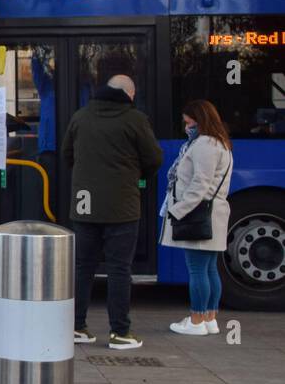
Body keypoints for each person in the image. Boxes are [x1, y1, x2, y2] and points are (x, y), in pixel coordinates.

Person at [63, 74, 163, 350]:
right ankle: (120, 333)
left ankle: (76, 327)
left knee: (83, 268)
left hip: (84, 207)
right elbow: (154, 158)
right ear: (129, 95)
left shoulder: (81, 116)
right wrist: (136, 175)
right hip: (122, 206)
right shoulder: (135, 119)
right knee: (120, 269)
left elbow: (67, 154)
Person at [161, 100, 233, 336]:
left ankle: (196, 320)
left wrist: (178, 210)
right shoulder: (221, 143)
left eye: (189, 122)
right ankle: (209, 318)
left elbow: (199, 184)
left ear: (201, 120)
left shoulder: (204, 145)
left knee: (197, 269)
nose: (186, 127)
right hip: (214, 213)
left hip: (199, 215)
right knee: (210, 268)